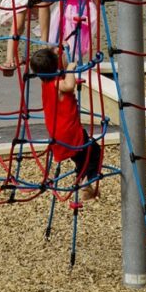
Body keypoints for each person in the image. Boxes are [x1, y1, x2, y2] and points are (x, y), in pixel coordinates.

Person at [29, 44, 101, 202]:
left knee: (81, 158)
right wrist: (70, 68)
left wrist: (57, 50)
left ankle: (86, 184)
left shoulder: (46, 82)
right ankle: (87, 182)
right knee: (94, 152)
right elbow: (69, 85)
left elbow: (53, 67)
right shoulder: (58, 83)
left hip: (57, 133)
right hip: (69, 131)